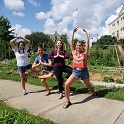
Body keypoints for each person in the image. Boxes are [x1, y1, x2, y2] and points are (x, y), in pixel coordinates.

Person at [63, 27, 96, 109]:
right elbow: (71, 42)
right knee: (67, 84)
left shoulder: (84, 52)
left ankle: (92, 90)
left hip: (84, 71)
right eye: (77, 45)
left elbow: (87, 42)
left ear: (82, 46)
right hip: (75, 72)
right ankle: (68, 101)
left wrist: (86, 33)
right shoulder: (74, 52)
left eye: (79, 45)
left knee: (88, 85)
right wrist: (73, 32)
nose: (78, 47)